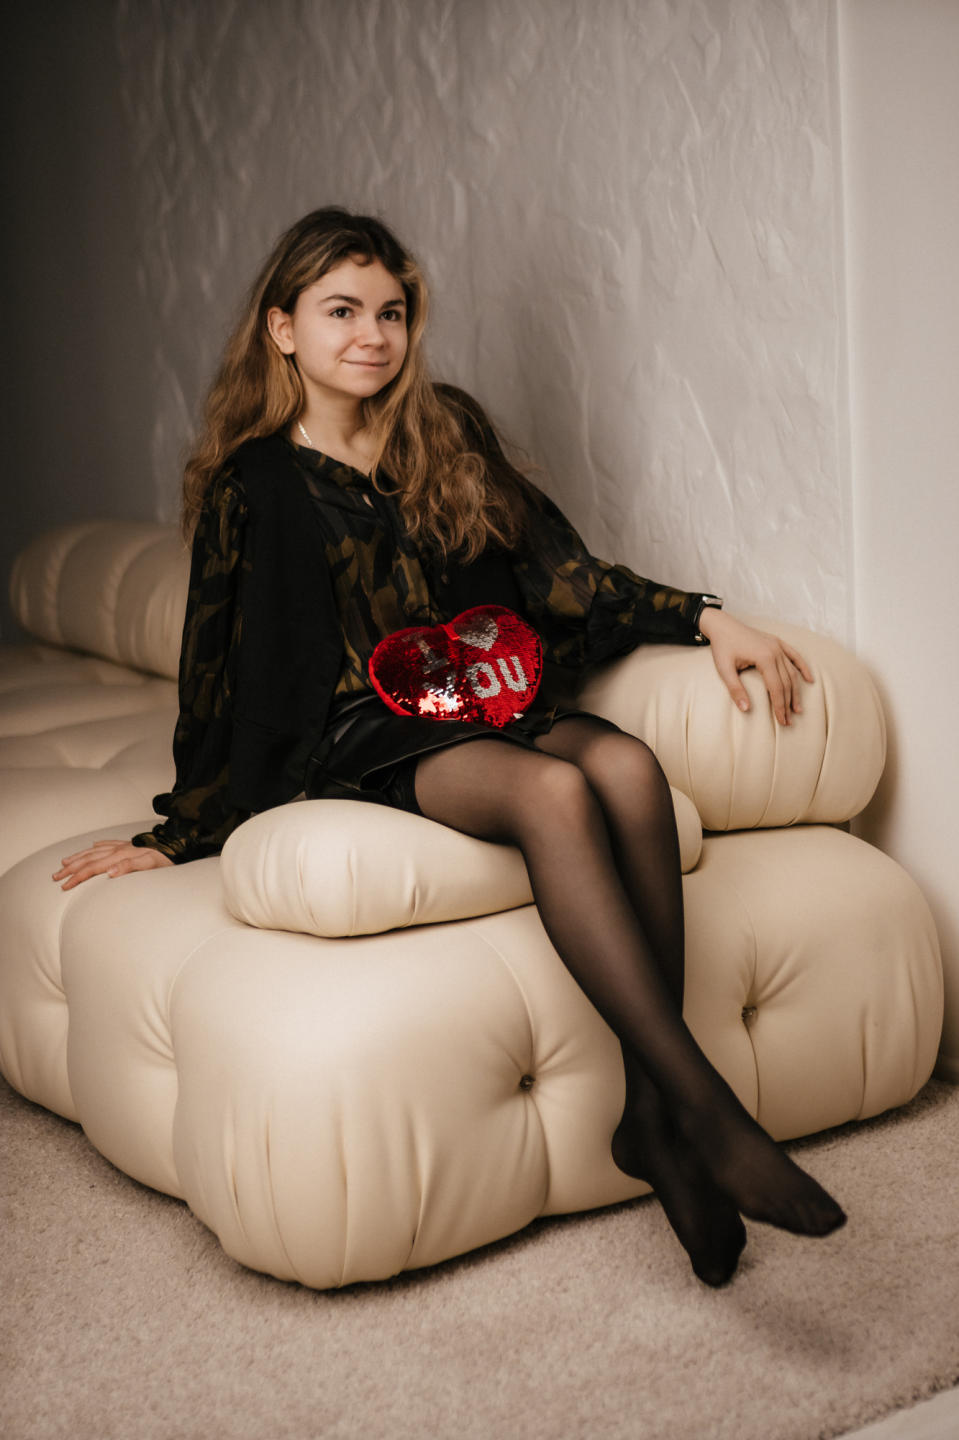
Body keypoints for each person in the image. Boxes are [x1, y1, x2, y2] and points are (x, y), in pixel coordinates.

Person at [53, 207, 845, 1285]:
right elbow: (217, 667)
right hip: (357, 728)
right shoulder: (256, 483)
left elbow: (562, 576)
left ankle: (651, 1116)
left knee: (624, 767)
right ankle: (704, 1109)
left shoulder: (444, 432)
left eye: (390, 312)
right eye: (341, 311)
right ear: (283, 328)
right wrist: (182, 829)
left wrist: (704, 617)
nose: (371, 335)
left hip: (481, 692)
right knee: (554, 797)